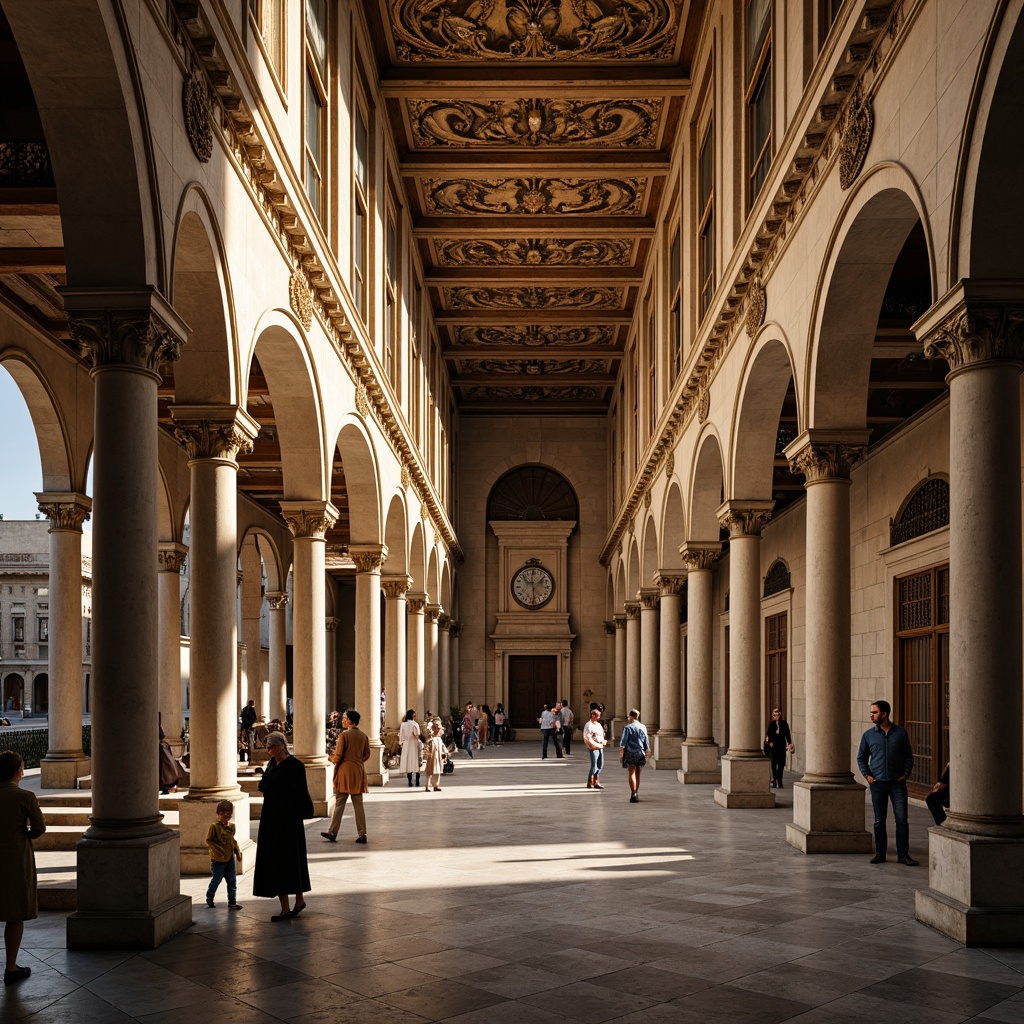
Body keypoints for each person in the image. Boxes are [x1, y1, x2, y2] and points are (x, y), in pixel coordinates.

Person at [254, 732, 313, 920]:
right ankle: (285, 907)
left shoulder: (295, 765)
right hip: (271, 818)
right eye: (267, 747)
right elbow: (263, 785)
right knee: (275, 860)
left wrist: (297, 814)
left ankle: (298, 900)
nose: (268, 750)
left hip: (288, 820)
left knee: (291, 859)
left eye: (271, 746)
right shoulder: (271, 764)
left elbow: (302, 792)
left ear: (281, 746)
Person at [0, 750, 45, 985]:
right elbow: (39, 827)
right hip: (15, 859)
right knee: (14, 914)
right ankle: (10, 967)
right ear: (18, 772)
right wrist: (25, 834)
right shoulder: (25, 797)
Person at [856, 699, 918, 866]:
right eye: (871, 712)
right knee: (879, 820)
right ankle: (880, 853)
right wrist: (867, 776)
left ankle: (903, 854)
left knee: (902, 819)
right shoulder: (868, 735)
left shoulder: (900, 733)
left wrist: (905, 774)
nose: (871, 715)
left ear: (884, 714)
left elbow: (908, 756)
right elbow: (861, 758)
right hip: (877, 783)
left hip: (897, 783)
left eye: (874, 712)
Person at [322, 710, 370, 844]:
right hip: (358, 770)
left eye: (344, 718)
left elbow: (338, 756)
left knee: (340, 802)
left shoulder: (344, 735)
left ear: (349, 720)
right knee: (358, 804)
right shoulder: (363, 736)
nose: (343, 720)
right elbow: (367, 755)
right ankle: (362, 834)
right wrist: (356, 761)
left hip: (345, 771)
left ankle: (333, 831)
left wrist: (330, 758)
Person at [205, 799, 242, 910]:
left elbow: (232, 841)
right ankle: (209, 897)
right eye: (223, 814)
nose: (226, 816)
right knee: (217, 879)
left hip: (230, 858)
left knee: (232, 880)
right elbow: (209, 840)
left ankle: (232, 901)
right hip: (218, 859)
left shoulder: (231, 827)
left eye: (228, 814)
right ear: (218, 814)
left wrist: (237, 851)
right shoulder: (214, 827)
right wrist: (219, 851)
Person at [619, 708, 650, 803]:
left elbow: (623, 742)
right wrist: (646, 751)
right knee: (638, 772)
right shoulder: (643, 727)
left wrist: (621, 754)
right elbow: (646, 741)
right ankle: (636, 791)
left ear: (631, 716)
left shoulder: (628, 728)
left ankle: (633, 793)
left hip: (630, 752)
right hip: (640, 752)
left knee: (631, 771)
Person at [764, 708, 793, 789]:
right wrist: (770, 742)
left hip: (781, 746)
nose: (777, 717)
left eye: (778, 715)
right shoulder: (772, 724)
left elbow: (787, 734)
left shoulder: (784, 724)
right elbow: (768, 734)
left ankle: (779, 779)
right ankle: (774, 779)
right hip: (774, 747)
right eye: (775, 715)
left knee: (781, 764)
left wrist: (789, 743)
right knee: (773, 764)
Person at [583, 706, 607, 789]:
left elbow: (601, 734)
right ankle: (591, 781)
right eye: (598, 716)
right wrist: (592, 745)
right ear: (593, 716)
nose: (599, 717)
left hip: (600, 746)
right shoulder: (588, 725)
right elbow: (587, 737)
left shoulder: (598, 725)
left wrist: (603, 741)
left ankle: (595, 780)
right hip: (593, 747)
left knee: (600, 764)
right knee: (594, 765)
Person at [398, 708, 422, 787]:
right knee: (416, 761)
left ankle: (409, 781)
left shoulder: (403, 724)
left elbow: (401, 735)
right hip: (414, 743)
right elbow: (417, 734)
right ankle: (417, 781)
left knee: (408, 762)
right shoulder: (415, 724)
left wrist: (401, 743)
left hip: (406, 744)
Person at [423, 717, 447, 792]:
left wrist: (445, 753)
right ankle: (427, 786)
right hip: (432, 757)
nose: (439, 730)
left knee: (438, 771)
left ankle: (436, 785)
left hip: (438, 757)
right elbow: (426, 748)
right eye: (437, 729)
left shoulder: (439, 739)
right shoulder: (431, 739)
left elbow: (443, 747)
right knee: (429, 771)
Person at [159, 725, 184, 794]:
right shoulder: (164, 745)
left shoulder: (163, 746)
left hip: (160, 750)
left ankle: (167, 787)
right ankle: (167, 787)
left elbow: (161, 735)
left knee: (164, 768)